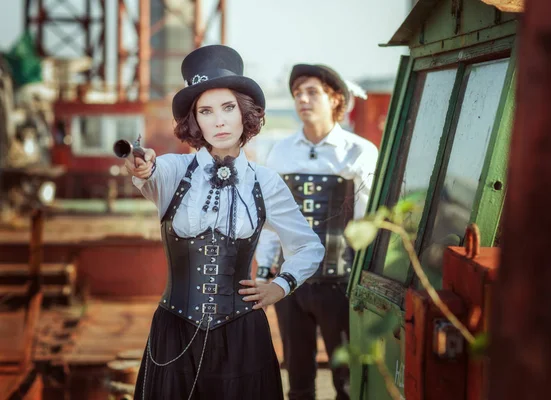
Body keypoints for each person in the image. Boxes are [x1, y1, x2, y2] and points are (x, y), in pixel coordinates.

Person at [125, 45, 325, 400]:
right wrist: (142, 164)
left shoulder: (264, 181)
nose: (218, 121)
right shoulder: (172, 171)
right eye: (206, 111)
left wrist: (281, 285)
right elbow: (149, 172)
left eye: (228, 108)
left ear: (244, 113)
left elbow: (308, 246)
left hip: (242, 337)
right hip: (175, 333)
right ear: (195, 121)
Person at [255, 64, 379, 400]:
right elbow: (269, 220)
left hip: (340, 283)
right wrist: (265, 271)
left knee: (347, 379)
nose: (302, 100)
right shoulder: (280, 151)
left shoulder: (359, 152)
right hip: (289, 285)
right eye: (297, 93)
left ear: (335, 97)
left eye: (312, 92)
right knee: (296, 376)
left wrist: (365, 278)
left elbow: (368, 222)